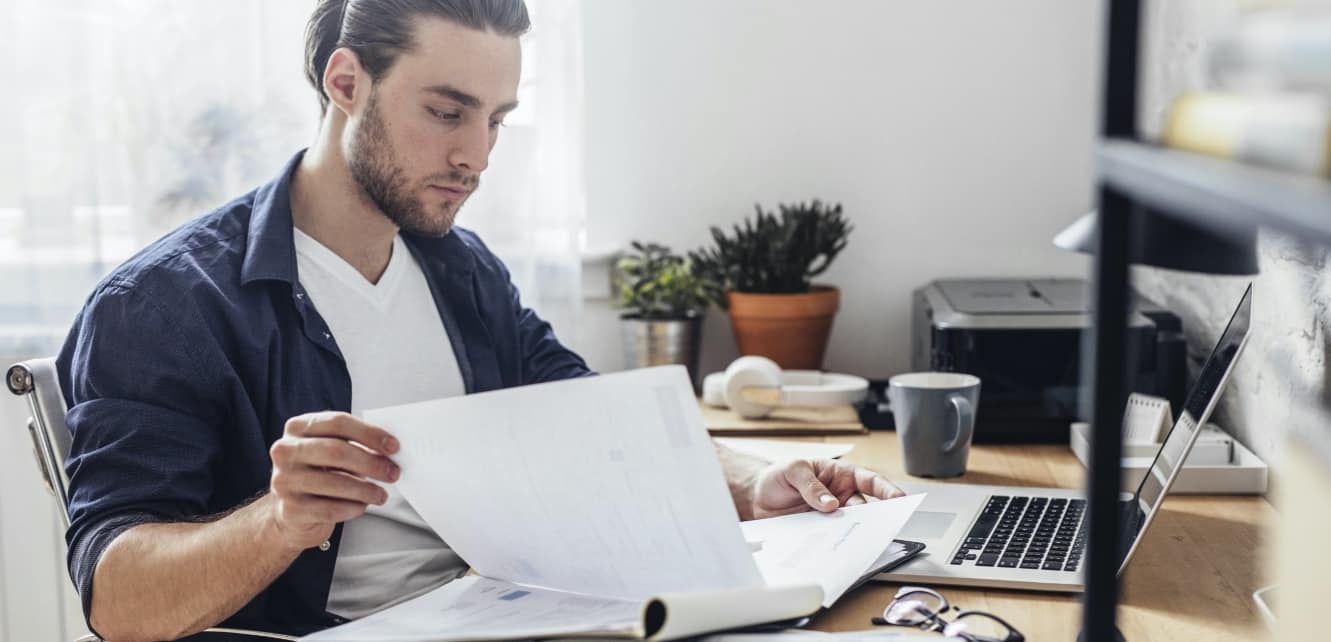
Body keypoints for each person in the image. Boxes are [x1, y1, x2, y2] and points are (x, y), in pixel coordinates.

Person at [56, 1, 903, 640]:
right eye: (447, 111)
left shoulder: (459, 270)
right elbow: (116, 599)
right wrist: (281, 523)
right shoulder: (164, 306)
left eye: (496, 121)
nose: (476, 157)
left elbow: (589, 420)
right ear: (345, 83)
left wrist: (748, 487)